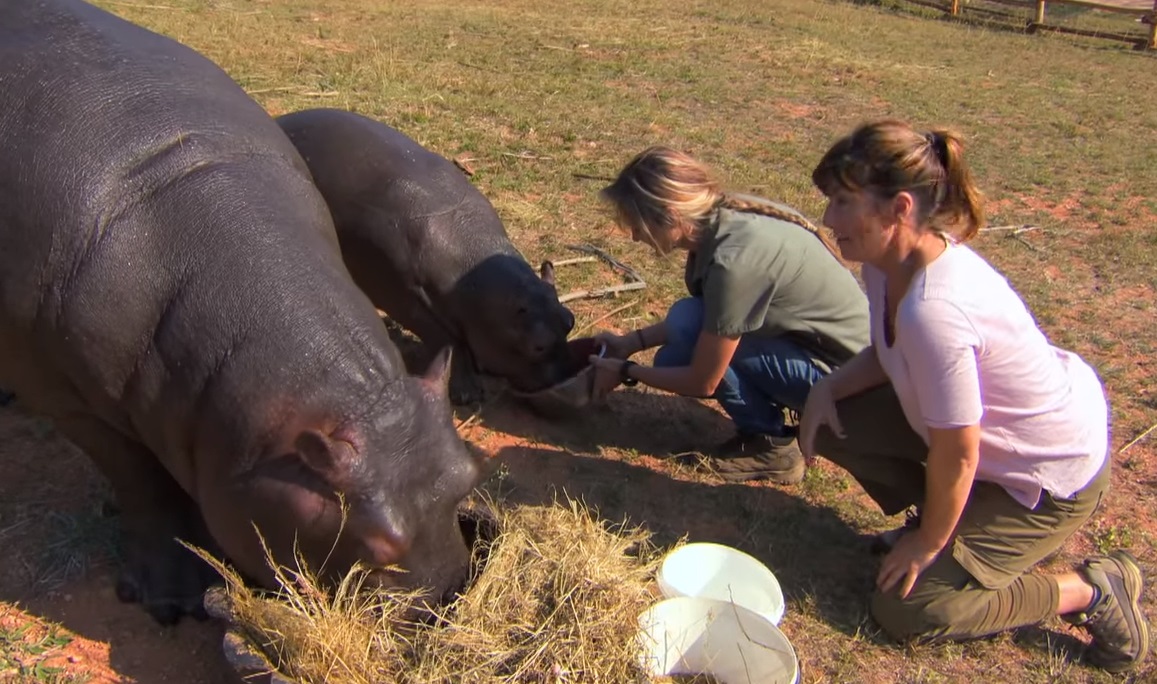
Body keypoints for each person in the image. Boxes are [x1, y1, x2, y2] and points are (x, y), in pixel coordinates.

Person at [798, 119, 1148, 672]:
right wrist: (828, 387)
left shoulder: (935, 309)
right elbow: (890, 355)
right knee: (839, 418)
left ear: (900, 208)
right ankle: (952, 528)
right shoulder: (887, 266)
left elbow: (959, 452)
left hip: (1047, 478)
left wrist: (927, 543)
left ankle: (1091, 588)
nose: (828, 218)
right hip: (985, 453)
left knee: (909, 609)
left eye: (843, 203)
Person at [588, 146, 870, 485]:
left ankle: (771, 447)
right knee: (685, 323)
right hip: (830, 357)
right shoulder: (725, 218)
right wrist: (629, 344)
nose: (634, 236)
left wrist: (626, 370)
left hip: (847, 385)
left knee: (690, 350)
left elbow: (702, 378)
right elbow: (710, 315)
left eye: (638, 224)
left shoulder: (735, 261)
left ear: (671, 215)